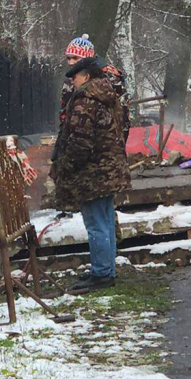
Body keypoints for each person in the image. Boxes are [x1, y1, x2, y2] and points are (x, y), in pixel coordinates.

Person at [51, 57, 130, 294]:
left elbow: (80, 143)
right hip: (107, 169)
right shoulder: (105, 95)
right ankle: (106, 270)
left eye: (74, 77)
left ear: (85, 77)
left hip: (93, 173)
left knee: (96, 224)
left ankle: (102, 274)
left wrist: (64, 166)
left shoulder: (85, 101)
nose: (72, 82)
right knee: (105, 221)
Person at [59, 34, 131, 140]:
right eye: (68, 58)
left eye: (75, 58)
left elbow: (123, 111)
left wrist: (120, 140)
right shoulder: (70, 82)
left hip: (107, 139)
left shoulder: (111, 78)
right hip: (78, 139)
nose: (71, 62)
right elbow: (64, 114)